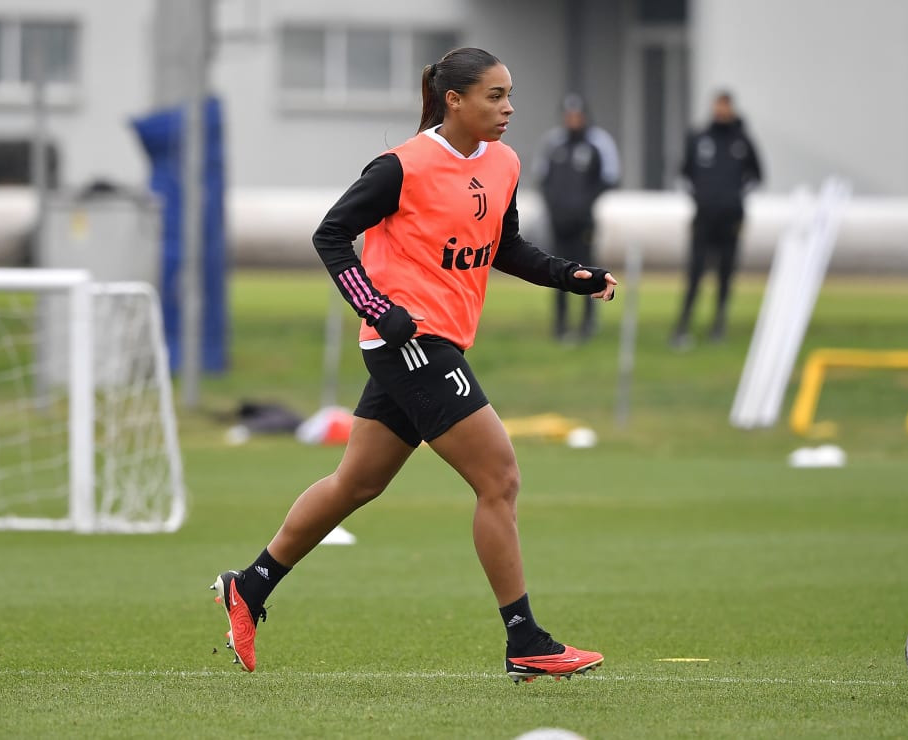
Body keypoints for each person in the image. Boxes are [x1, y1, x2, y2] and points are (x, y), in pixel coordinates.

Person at [210, 47, 616, 683]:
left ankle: (251, 586)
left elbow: (502, 245)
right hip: (412, 342)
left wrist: (571, 276)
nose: (508, 109)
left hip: (440, 340)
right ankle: (525, 641)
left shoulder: (503, 163)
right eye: (494, 96)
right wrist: (378, 308)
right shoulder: (403, 166)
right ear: (453, 100)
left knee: (357, 483)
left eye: (510, 96)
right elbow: (331, 235)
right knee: (499, 478)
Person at [670, 91, 764, 349]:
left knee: (725, 273)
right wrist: (701, 198)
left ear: (731, 108)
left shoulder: (742, 141)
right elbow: (684, 174)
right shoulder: (700, 138)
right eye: (718, 105)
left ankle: (718, 325)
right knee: (695, 272)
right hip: (704, 217)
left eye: (726, 106)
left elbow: (756, 177)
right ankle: (683, 325)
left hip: (731, 219)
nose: (721, 110)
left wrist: (732, 199)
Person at [533, 94, 619, 343]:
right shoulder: (554, 144)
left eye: (577, 115)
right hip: (559, 222)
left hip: (583, 223)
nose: (573, 120)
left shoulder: (597, 144)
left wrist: (583, 205)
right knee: (557, 271)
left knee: (588, 271)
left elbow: (609, 178)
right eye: (568, 115)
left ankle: (587, 322)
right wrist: (554, 208)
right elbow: (543, 179)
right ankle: (560, 323)